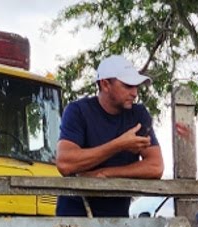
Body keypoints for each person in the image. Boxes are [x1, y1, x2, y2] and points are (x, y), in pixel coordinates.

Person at [55, 55, 164, 217]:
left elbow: (155, 166)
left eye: (136, 86)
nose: (134, 93)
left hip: (117, 219)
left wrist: (106, 173)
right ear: (105, 84)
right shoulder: (77, 111)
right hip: (75, 216)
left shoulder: (138, 114)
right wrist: (119, 145)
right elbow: (65, 163)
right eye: (127, 86)